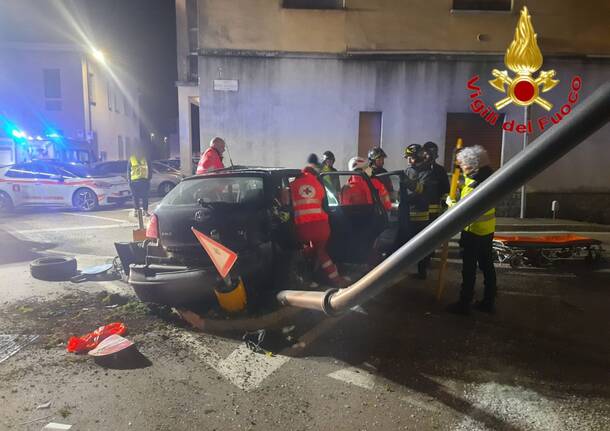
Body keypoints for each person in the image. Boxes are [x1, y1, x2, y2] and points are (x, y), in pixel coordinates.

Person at [446, 145, 497, 315]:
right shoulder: (489, 177)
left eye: (462, 165)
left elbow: (463, 210)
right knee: (488, 267)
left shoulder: (476, 184)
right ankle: (489, 302)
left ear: (471, 165)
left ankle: (464, 302)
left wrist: (451, 203)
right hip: (487, 231)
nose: (460, 168)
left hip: (473, 232)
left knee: (469, 270)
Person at [290, 156, 345, 287]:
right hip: (322, 227)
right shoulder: (318, 184)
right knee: (321, 252)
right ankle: (336, 280)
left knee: (302, 251)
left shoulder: (292, 185)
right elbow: (325, 204)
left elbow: (288, 207)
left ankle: (307, 280)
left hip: (303, 228)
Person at [395, 144, 434, 279]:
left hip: (420, 215)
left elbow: (422, 191)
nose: (408, 160)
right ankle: (398, 269)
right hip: (406, 214)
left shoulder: (428, 173)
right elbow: (401, 192)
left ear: (417, 157)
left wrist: (408, 183)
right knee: (402, 243)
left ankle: (421, 272)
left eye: (410, 157)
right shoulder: (407, 171)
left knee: (420, 245)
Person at [422, 141, 450, 222]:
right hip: (419, 212)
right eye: (428, 154)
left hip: (435, 212)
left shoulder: (440, 170)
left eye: (432, 154)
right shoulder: (417, 169)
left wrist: (444, 206)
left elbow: (446, 189)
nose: (430, 157)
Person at [127, 149, 152, 217]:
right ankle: (137, 211)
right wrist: (129, 181)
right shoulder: (132, 159)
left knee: (145, 197)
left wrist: (148, 179)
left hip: (144, 181)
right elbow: (128, 171)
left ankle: (145, 211)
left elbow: (150, 169)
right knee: (135, 197)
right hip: (134, 182)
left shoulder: (146, 158)